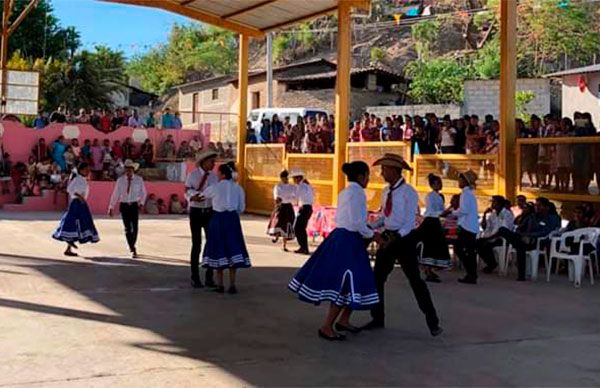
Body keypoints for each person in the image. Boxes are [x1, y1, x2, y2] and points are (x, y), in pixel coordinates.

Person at [289, 161, 378, 341]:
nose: (368, 179)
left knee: (352, 282)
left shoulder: (345, 192)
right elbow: (357, 222)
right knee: (348, 283)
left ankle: (343, 320)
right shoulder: (359, 193)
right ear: (361, 177)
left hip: (340, 237)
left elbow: (345, 218)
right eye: (367, 176)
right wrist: (373, 234)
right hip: (350, 241)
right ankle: (327, 326)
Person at [362, 153, 443, 337]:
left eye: (384, 170)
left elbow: (409, 221)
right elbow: (385, 216)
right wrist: (372, 226)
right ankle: (377, 317)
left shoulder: (408, 192)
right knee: (377, 278)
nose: (382, 173)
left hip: (404, 239)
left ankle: (432, 321)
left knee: (415, 280)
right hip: (388, 235)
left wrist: (397, 236)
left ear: (393, 170)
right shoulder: (385, 192)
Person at [199, 163, 250, 294]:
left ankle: (220, 284)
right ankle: (232, 285)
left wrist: (191, 193)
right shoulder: (238, 188)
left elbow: (201, 196)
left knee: (218, 248)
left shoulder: (214, 187)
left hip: (218, 219)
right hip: (232, 219)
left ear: (222, 174)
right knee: (233, 248)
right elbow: (241, 208)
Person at [185, 150, 219, 288]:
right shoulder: (192, 175)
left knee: (211, 243)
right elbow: (186, 190)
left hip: (209, 211)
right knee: (196, 244)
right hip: (196, 211)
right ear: (204, 161)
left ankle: (209, 276)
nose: (213, 164)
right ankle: (195, 276)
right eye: (212, 161)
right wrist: (193, 196)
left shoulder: (214, 177)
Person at [52, 163, 99, 256]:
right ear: (81, 170)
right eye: (86, 169)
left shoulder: (82, 180)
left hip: (81, 203)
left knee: (78, 223)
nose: (88, 171)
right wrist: (79, 196)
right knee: (74, 222)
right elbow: (69, 189)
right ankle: (69, 244)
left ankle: (68, 247)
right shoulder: (77, 179)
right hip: (77, 203)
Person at [108, 160, 147, 258]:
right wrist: (111, 206)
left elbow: (143, 193)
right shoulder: (120, 180)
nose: (129, 171)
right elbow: (115, 194)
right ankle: (132, 246)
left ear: (133, 170)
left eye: (130, 169)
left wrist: (141, 203)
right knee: (127, 227)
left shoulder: (139, 180)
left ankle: (133, 243)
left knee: (135, 226)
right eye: (127, 169)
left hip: (134, 205)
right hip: (124, 205)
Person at [417, 173, 451, 283]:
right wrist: (442, 212)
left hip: (436, 222)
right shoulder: (430, 196)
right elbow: (431, 211)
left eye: (440, 183)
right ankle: (427, 270)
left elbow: (441, 209)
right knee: (429, 246)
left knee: (436, 246)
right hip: (430, 222)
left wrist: (446, 212)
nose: (439, 185)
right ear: (432, 185)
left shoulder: (440, 196)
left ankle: (430, 269)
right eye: (437, 183)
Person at [476, 195, 515, 274]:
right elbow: (485, 227)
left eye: (494, 202)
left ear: (500, 204)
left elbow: (503, 230)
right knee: (477, 243)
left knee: (485, 244)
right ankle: (491, 263)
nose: (492, 204)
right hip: (492, 236)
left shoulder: (506, 214)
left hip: (502, 238)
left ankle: (491, 264)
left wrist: (489, 238)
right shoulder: (492, 214)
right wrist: (484, 214)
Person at [455, 170, 480, 284]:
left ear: (465, 181)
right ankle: (472, 274)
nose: (458, 182)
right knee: (469, 251)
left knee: (460, 249)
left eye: (460, 179)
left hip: (466, 226)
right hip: (470, 226)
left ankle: (470, 273)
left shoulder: (465, 194)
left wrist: (452, 212)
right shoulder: (469, 194)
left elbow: (464, 211)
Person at [267, 170, 297, 251]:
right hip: (280, 206)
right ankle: (276, 236)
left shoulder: (292, 187)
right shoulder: (278, 186)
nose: (285, 179)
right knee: (277, 222)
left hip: (288, 207)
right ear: (281, 178)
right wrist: (279, 200)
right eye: (283, 178)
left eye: (286, 178)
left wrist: (289, 199)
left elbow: (295, 197)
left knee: (287, 225)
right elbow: (276, 196)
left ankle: (284, 245)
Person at [290, 169, 314, 255]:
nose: (293, 181)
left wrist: (288, 198)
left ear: (298, 178)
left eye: (294, 178)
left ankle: (304, 247)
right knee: (300, 228)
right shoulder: (308, 186)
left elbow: (295, 197)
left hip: (304, 208)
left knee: (298, 228)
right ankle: (303, 247)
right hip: (307, 208)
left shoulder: (301, 187)